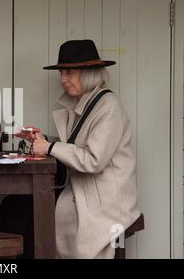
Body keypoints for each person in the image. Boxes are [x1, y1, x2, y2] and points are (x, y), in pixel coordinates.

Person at [14, 39, 140, 258]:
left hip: (105, 202)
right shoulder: (88, 103)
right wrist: (42, 140)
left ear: (89, 73)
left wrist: (50, 147)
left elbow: (92, 159)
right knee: (15, 206)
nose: (63, 80)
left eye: (69, 73)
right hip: (84, 193)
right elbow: (75, 146)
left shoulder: (109, 108)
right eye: (62, 73)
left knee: (20, 212)